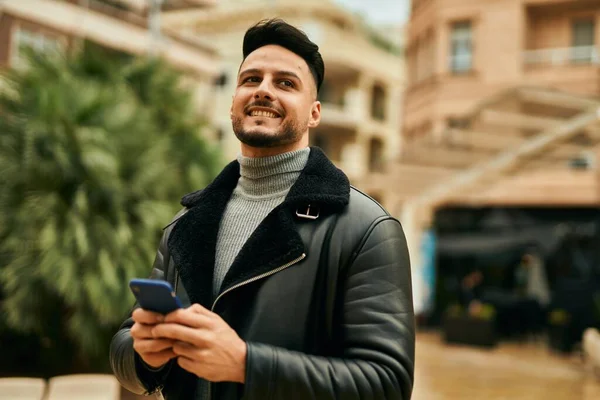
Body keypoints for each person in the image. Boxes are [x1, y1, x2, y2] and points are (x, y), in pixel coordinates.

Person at [109, 18, 415, 400]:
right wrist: (144, 355)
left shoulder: (367, 229)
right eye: (251, 80)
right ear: (233, 101)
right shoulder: (186, 223)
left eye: (285, 83)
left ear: (315, 112)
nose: (263, 91)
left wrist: (246, 364)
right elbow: (126, 349)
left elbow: (386, 384)